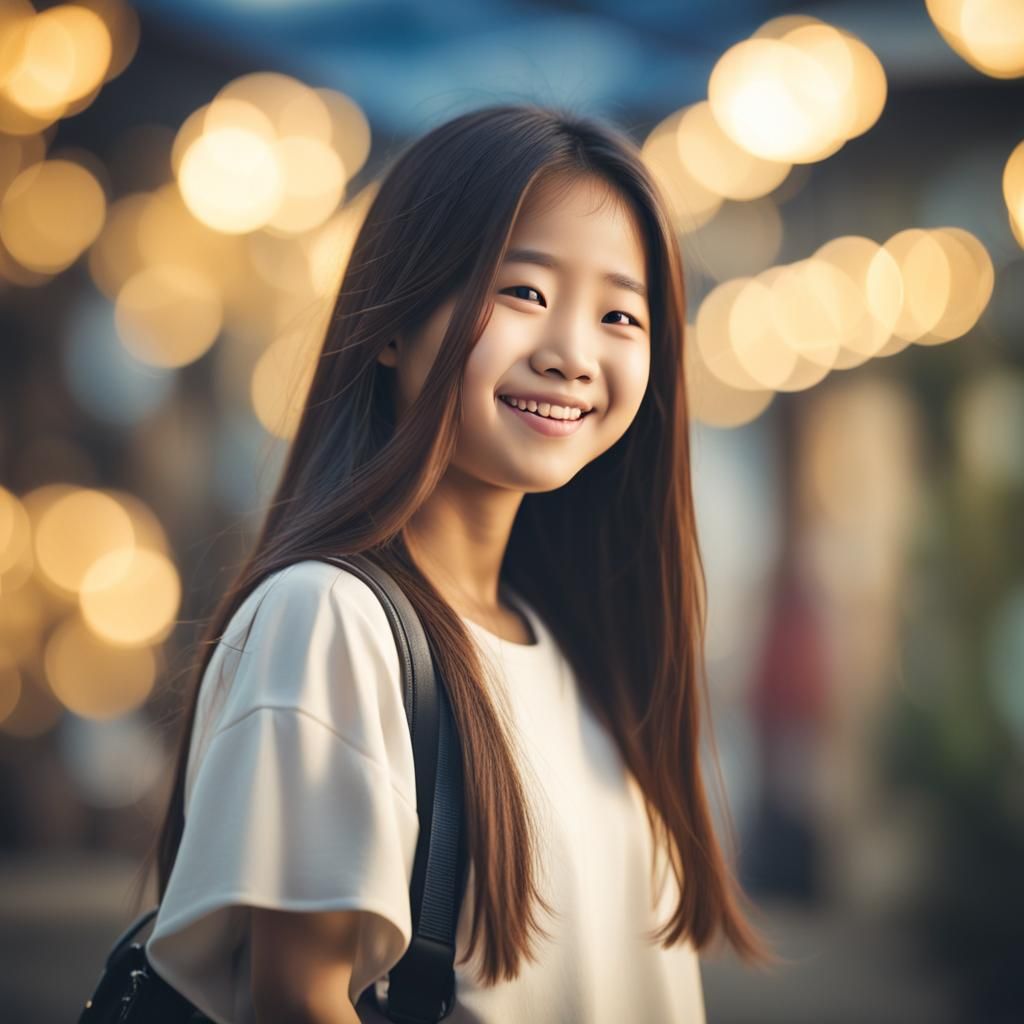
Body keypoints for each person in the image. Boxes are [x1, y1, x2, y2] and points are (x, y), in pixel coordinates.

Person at [141, 102, 778, 1024]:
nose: (572, 355)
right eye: (524, 293)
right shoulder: (329, 621)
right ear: (392, 323)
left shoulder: (584, 650)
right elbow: (300, 1001)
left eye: (619, 314)